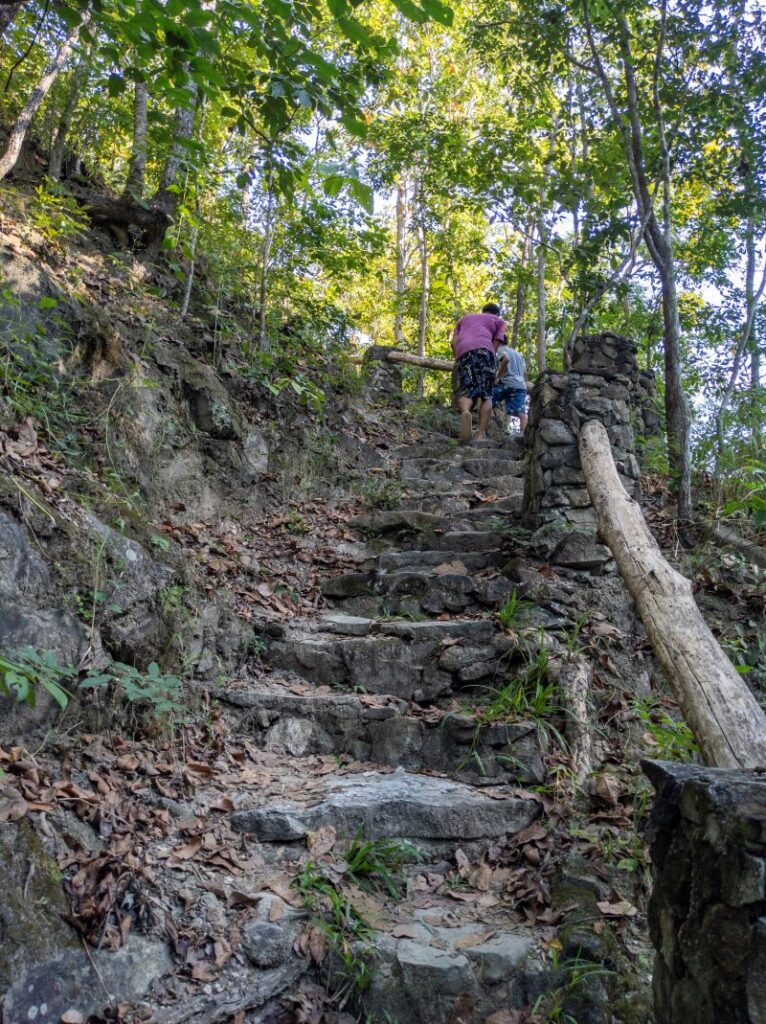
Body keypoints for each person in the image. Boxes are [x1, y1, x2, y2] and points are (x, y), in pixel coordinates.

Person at [451, 302, 506, 444]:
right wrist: (491, 359)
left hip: (463, 351)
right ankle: (480, 435)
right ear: (497, 314)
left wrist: (459, 357)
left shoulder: (465, 318)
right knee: (487, 395)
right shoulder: (498, 321)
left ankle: (466, 412)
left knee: (467, 391)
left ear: (483, 311)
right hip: (484, 350)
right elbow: (497, 342)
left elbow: (454, 342)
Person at [491, 335, 528, 432]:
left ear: (496, 341)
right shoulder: (518, 354)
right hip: (520, 385)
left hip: (507, 383)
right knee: (521, 412)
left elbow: (506, 359)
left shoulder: (500, 350)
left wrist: (498, 376)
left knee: (487, 401)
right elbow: (525, 371)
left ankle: (480, 427)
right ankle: (525, 436)